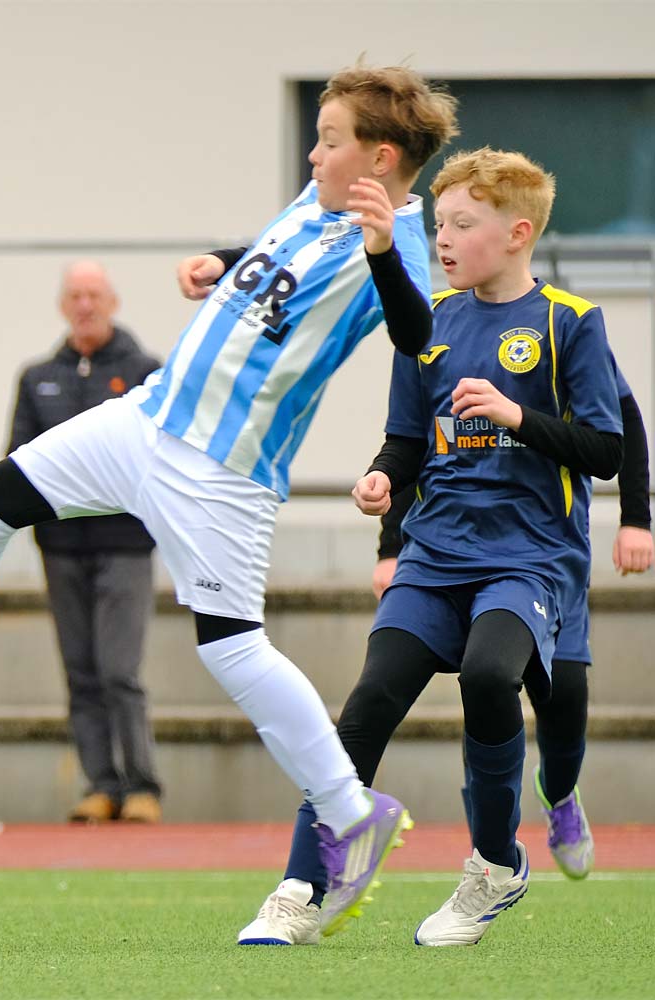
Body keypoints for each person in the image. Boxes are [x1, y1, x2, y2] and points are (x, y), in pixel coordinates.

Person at [0, 64, 458, 937]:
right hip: (147, 418)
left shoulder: (398, 241)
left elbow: (417, 332)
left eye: (329, 140)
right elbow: (276, 261)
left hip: (219, 470)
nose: (312, 152)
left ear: (380, 158)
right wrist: (223, 264)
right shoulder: (318, 199)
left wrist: (377, 250)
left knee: (232, 647)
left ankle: (349, 811)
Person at [236, 148, 624, 949]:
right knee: (369, 702)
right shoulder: (430, 323)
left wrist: (516, 417)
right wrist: (383, 476)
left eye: (461, 224)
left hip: (528, 557)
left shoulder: (569, 322)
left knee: (489, 675)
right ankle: (302, 887)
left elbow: (606, 451)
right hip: (434, 552)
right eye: (438, 222)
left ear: (517, 234)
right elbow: (407, 439)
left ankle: (495, 865)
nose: (441, 238)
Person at [368, 362, 650, 880]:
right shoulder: (440, 335)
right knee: (486, 680)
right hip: (457, 555)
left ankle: (559, 794)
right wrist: (391, 546)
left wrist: (636, 518)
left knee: (564, 698)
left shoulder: (564, 329)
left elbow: (623, 420)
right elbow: (419, 441)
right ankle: (490, 853)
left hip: (544, 557)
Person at [8, 261, 165, 824]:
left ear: (112, 302)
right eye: (75, 295)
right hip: (60, 546)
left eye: (94, 295)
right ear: (63, 306)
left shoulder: (147, 372)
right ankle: (101, 785)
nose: (85, 305)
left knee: (120, 670)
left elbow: (159, 452)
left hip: (125, 542)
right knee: (80, 672)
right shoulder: (36, 377)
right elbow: (19, 457)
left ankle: (142, 786)